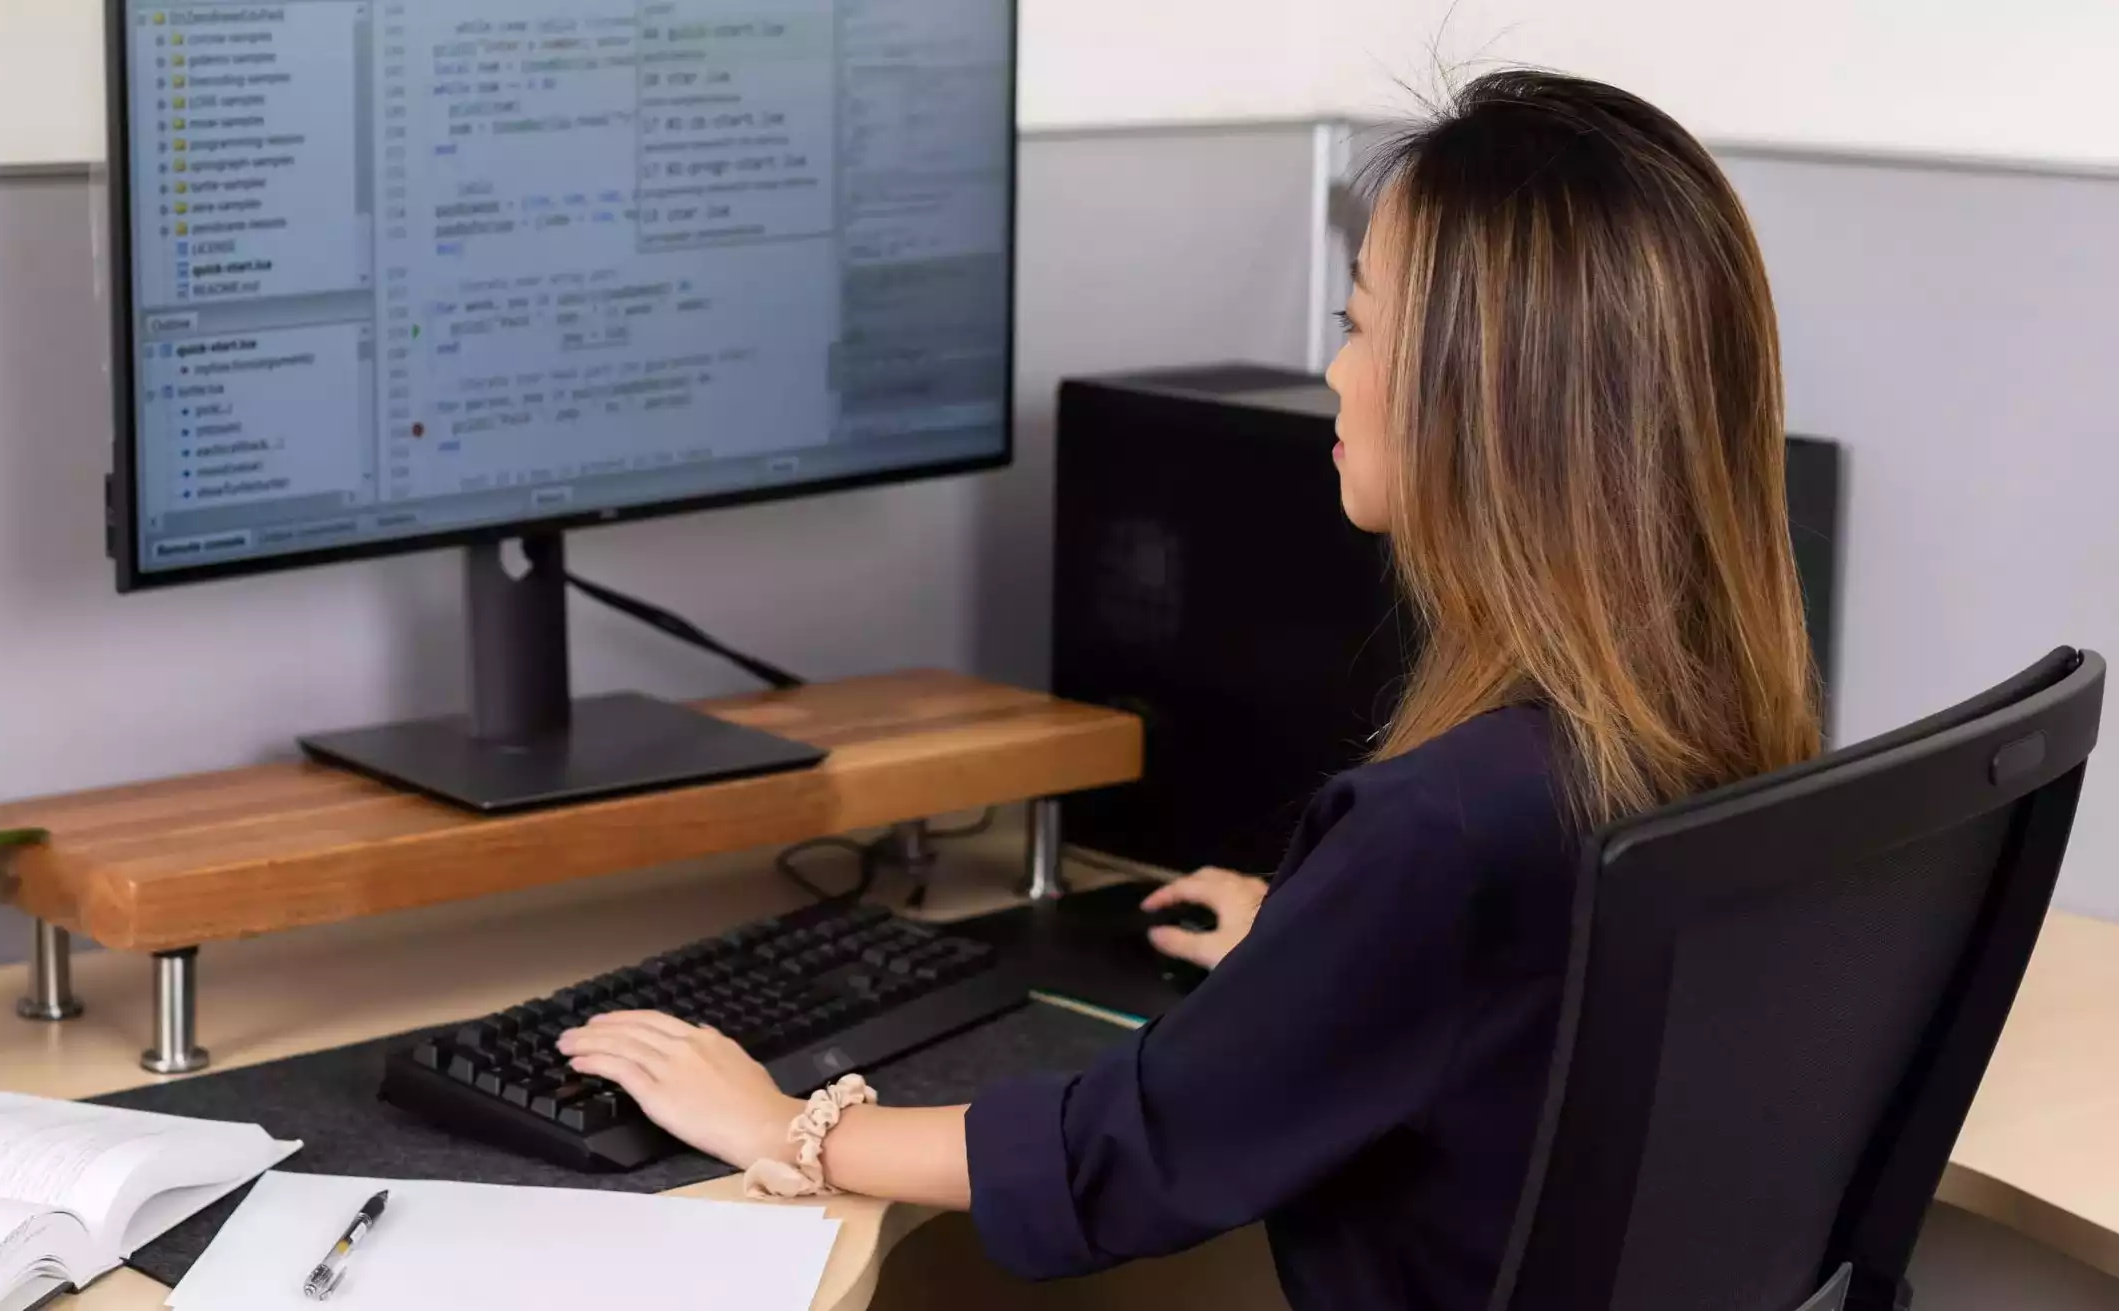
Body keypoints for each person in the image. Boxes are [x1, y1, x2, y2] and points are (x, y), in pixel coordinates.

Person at [557, 68, 1823, 1310]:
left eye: (1362, 325)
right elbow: (1519, 1006)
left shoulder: (1442, 827)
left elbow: (1129, 1154)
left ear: (1485, 401)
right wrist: (1314, 952)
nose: (1335, 372)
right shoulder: (1711, 735)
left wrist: (790, 1126)